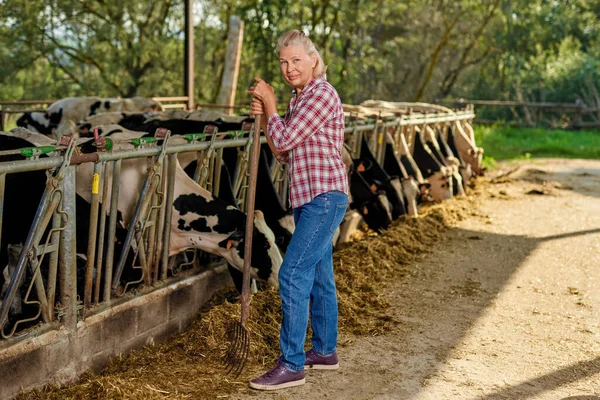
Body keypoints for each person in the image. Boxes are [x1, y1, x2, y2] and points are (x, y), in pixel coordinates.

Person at [246, 29, 349, 391]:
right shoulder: (300, 98)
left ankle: (291, 364)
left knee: (291, 274)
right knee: (319, 275)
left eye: (296, 60)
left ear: (313, 60)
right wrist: (264, 117)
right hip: (309, 198)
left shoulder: (321, 93)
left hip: (325, 197)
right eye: (283, 62)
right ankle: (324, 351)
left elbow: (286, 138)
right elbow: (282, 150)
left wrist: (270, 102)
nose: (289, 68)